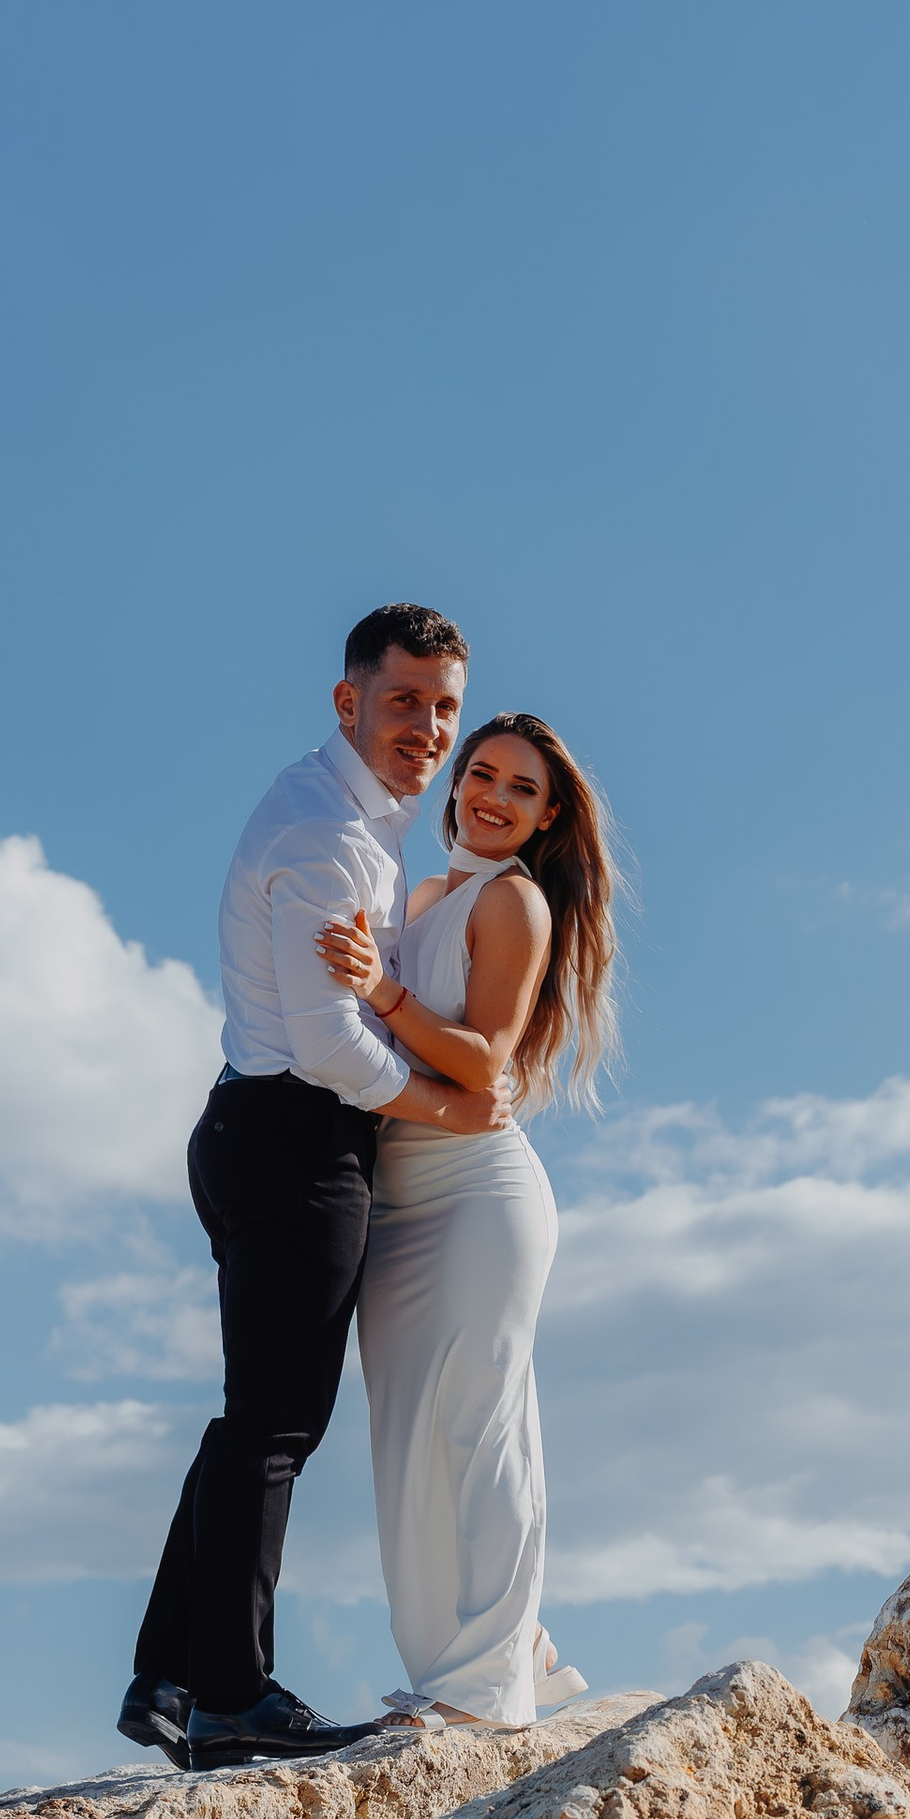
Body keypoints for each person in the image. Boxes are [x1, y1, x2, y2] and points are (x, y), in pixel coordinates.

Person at [119, 605, 513, 1774]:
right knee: (278, 1426)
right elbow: (329, 1047)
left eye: (444, 706)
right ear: (348, 701)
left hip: (261, 1128)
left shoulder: (351, 818)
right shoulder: (325, 837)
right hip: (294, 1135)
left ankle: (173, 1672)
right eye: (404, 702)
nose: (427, 728)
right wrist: (450, 1109)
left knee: (257, 1417)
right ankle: (232, 1695)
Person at [314, 710, 620, 1727]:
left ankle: (481, 1689)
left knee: (481, 1427)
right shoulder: (430, 891)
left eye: (520, 788)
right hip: (397, 1199)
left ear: (546, 816)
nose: (491, 794)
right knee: (408, 1440)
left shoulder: (513, 902)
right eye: (481, 773)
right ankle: (510, 1654)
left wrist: (382, 993)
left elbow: (484, 1062)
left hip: (477, 1192)